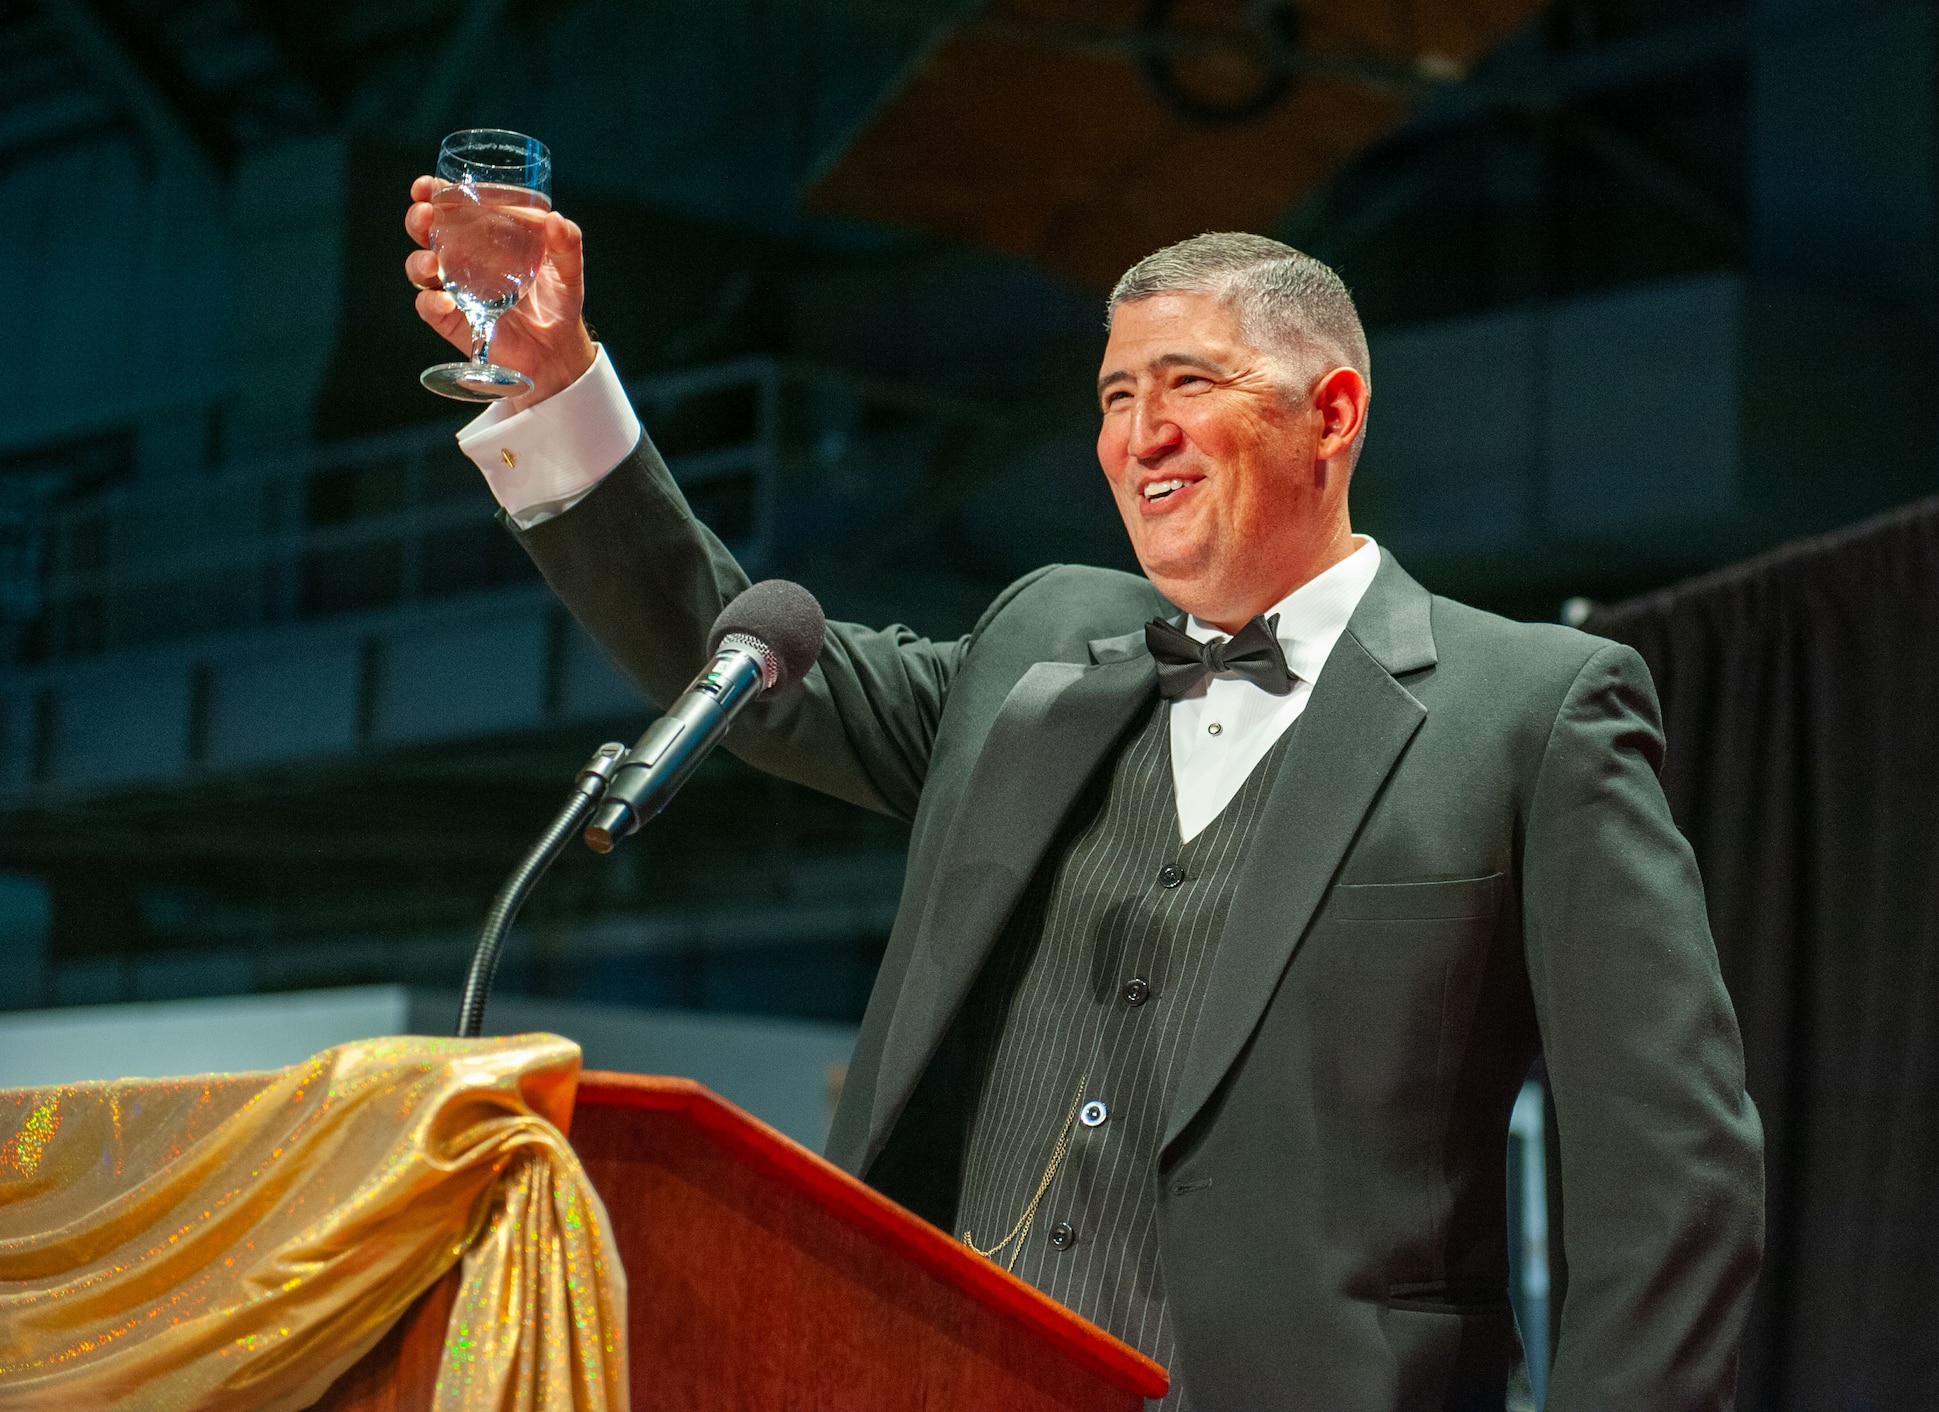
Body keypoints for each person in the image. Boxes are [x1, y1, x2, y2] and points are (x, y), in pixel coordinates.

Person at [404, 183, 1765, 1410]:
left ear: (1331, 414)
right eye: (1116, 398)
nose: (1140, 437)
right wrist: (557, 387)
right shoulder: (1036, 650)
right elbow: (740, 656)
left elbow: (1673, 1176)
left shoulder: (1531, 709)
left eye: (1188, 384)